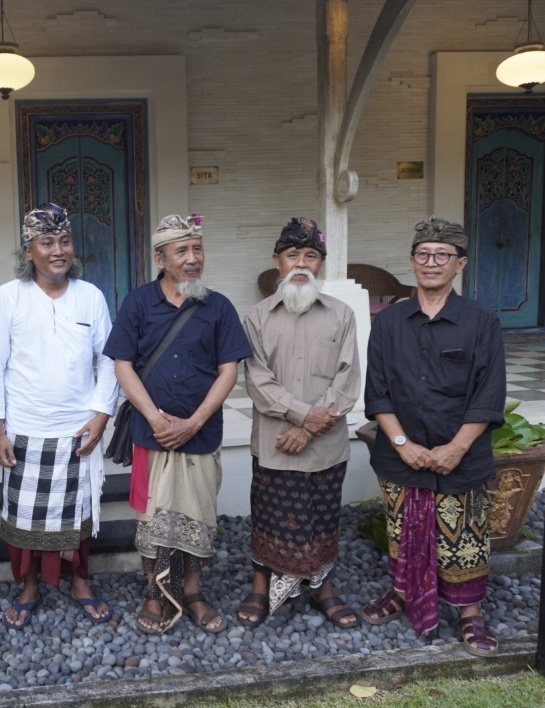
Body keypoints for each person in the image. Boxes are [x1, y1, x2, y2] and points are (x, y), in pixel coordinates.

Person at [362, 216, 506, 657]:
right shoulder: (388, 323)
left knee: (465, 536)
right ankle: (405, 593)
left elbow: (490, 390)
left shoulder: (481, 320)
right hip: (401, 454)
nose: (431, 262)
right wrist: (403, 444)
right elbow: (377, 390)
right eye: (423, 254)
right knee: (403, 529)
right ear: (412, 261)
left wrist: (457, 447)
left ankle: (469, 613)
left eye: (442, 255)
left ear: (459, 264)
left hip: (461, 455)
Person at [103, 214, 252, 635]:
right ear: (160, 259)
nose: (192, 259)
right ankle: (154, 591)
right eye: (181, 251)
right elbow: (123, 365)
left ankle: (191, 591)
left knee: (198, 515)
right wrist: (154, 417)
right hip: (150, 435)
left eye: (197, 249)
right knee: (154, 518)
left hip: (201, 434)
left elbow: (228, 371)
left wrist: (194, 422)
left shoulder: (218, 306)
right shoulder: (138, 302)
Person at [0, 203, 119, 629]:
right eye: (46, 243)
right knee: (24, 518)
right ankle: (28, 586)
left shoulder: (91, 295)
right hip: (25, 427)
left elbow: (109, 361)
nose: (58, 250)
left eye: (64, 241)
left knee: (77, 516)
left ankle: (80, 580)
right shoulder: (8, 297)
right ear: (29, 251)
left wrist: (101, 416)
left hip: (77, 429)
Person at [237, 217, 361, 630]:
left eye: (311, 255)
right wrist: (302, 415)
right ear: (278, 261)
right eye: (293, 255)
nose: (302, 263)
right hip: (275, 445)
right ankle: (260, 586)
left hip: (325, 445)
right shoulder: (256, 317)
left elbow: (348, 381)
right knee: (269, 517)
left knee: (324, 520)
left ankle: (323, 590)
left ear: (321, 263)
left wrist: (309, 427)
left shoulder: (342, 315)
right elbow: (257, 380)